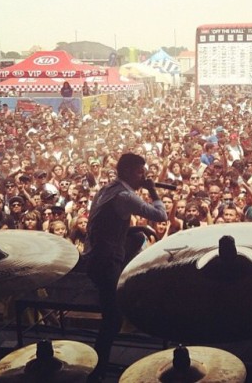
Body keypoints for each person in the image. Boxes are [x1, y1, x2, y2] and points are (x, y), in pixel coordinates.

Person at [83, 153, 168, 381]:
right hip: (104, 261)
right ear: (130, 172)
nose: (144, 176)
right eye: (141, 172)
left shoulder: (106, 190)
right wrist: (152, 190)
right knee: (112, 320)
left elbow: (105, 226)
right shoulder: (125, 196)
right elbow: (161, 215)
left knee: (138, 234)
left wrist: (134, 231)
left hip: (93, 255)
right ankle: (97, 372)